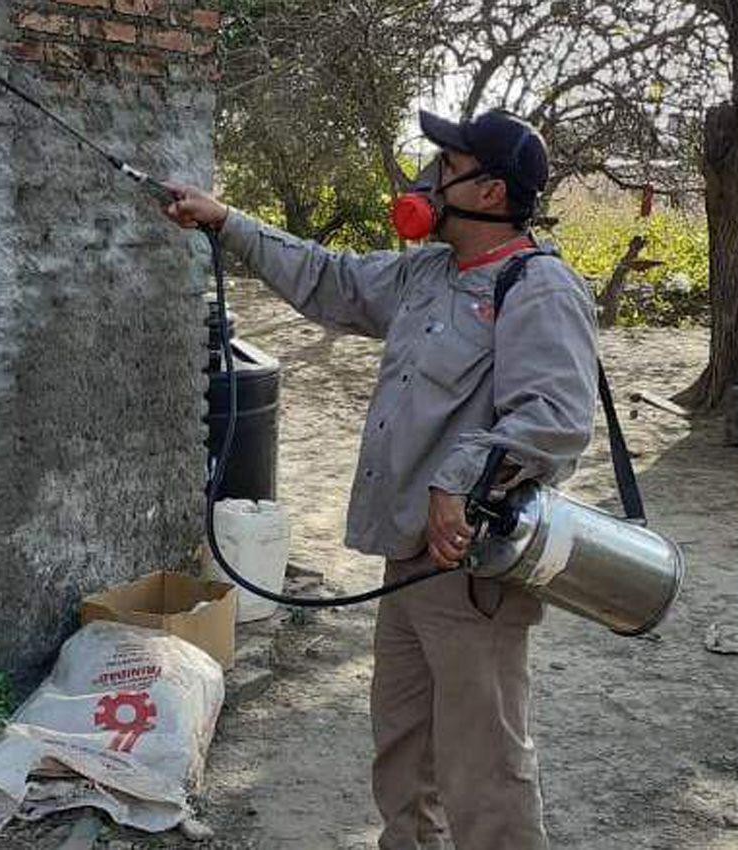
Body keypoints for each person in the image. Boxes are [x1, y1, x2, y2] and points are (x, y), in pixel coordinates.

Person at [163, 109, 598, 849]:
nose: (426, 179)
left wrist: (458, 480)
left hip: (471, 573)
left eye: (446, 166)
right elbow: (328, 278)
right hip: (409, 557)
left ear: (490, 192)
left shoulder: (539, 288)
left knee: (483, 767)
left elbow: (554, 419)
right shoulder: (428, 272)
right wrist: (225, 221)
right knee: (404, 748)